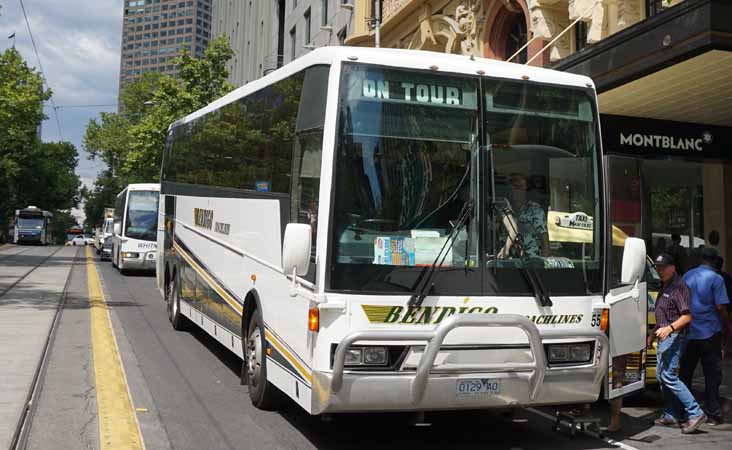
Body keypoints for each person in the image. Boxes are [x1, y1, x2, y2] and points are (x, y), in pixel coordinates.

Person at [648, 253, 706, 433]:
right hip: (665, 336)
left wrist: (669, 329)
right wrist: (653, 333)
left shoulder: (679, 287)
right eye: (657, 267)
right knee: (661, 376)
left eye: (663, 267)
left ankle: (695, 412)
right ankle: (671, 414)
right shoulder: (666, 285)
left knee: (668, 376)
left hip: (675, 337)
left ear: (673, 267)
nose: (659, 270)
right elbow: (663, 312)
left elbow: (687, 316)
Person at [679, 247, 731, 425]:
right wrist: (727, 328)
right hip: (710, 333)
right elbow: (720, 308)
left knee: (685, 374)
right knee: (712, 375)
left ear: (701, 259)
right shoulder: (717, 279)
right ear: (715, 260)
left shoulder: (688, 276)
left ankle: (685, 411)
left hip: (690, 333)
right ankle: (713, 413)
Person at [497, 173, 547, 258]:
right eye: (514, 187)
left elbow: (545, 242)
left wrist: (545, 262)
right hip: (506, 262)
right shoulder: (501, 208)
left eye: (520, 187)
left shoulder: (535, 210)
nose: (517, 191)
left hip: (531, 263)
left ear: (525, 189)